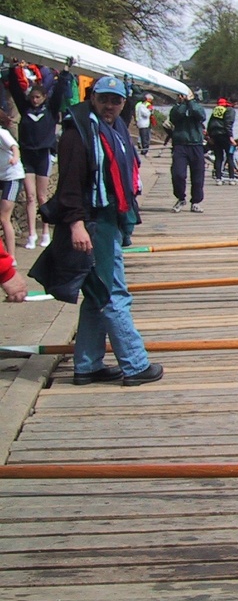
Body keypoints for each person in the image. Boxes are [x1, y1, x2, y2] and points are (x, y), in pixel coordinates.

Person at [31, 75, 163, 385]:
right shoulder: (77, 134)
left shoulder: (114, 127)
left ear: (123, 104)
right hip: (90, 222)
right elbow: (70, 186)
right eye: (104, 99)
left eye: (116, 101)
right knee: (112, 292)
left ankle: (87, 366)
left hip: (107, 219)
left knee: (94, 294)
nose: (109, 105)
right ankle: (135, 364)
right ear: (93, 98)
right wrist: (76, 224)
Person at [12, 83, 59, 249]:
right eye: (32, 97)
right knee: (30, 196)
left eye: (38, 97)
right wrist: (12, 70)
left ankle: (46, 232)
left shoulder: (50, 110)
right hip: (27, 155)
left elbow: (58, 94)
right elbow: (16, 92)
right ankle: (32, 234)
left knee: (41, 196)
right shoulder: (25, 109)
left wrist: (64, 75)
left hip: (43, 155)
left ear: (44, 97)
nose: (34, 100)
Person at [168, 93, 206, 213]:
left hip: (197, 145)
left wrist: (190, 102)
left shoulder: (197, 106)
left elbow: (201, 116)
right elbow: (175, 117)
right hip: (180, 145)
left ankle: (196, 201)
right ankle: (180, 198)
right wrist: (183, 103)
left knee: (198, 176)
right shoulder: (176, 108)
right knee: (178, 174)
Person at [0, 125, 25, 260]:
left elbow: (14, 147)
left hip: (12, 176)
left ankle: (11, 256)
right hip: (1, 175)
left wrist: (15, 158)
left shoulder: (2, 133)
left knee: (4, 217)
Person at [207, 96, 238, 184]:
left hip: (215, 136)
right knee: (230, 156)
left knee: (218, 157)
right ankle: (232, 178)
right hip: (225, 136)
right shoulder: (230, 110)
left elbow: (210, 123)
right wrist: (231, 137)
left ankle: (218, 179)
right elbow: (228, 124)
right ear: (235, 103)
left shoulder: (216, 110)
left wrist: (210, 136)